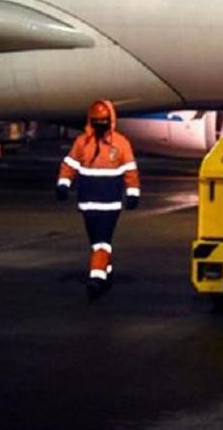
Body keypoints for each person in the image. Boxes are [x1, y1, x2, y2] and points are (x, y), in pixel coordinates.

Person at [56, 99, 140, 299]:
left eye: (102, 120)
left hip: (110, 203)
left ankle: (96, 279)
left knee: (102, 241)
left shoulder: (120, 143)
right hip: (88, 203)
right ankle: (106, 270)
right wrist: (63, 184)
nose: (99, 125)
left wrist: (133, 193)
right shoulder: (82, 143)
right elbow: (70, 164)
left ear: (110, 120)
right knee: (96, 242)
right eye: (96, 121)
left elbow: (130, 171)